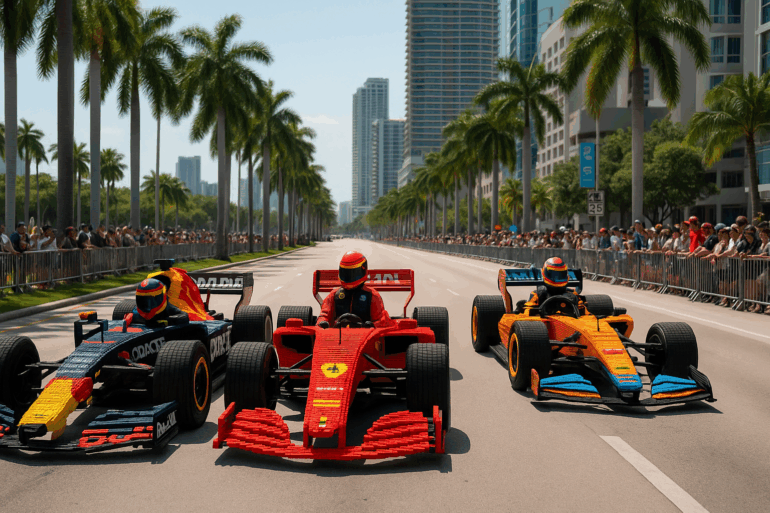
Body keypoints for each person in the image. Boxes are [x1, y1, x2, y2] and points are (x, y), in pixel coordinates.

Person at [316, 251, 392, 328]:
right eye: (345, 273)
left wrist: (369, 326)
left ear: (363, 269)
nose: (348, 276)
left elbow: (381, 322)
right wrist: (323, 323)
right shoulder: (334, 295)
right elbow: (324, 315)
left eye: (352, 273)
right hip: (337, 336)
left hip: (366, 337)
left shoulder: (373, 296)